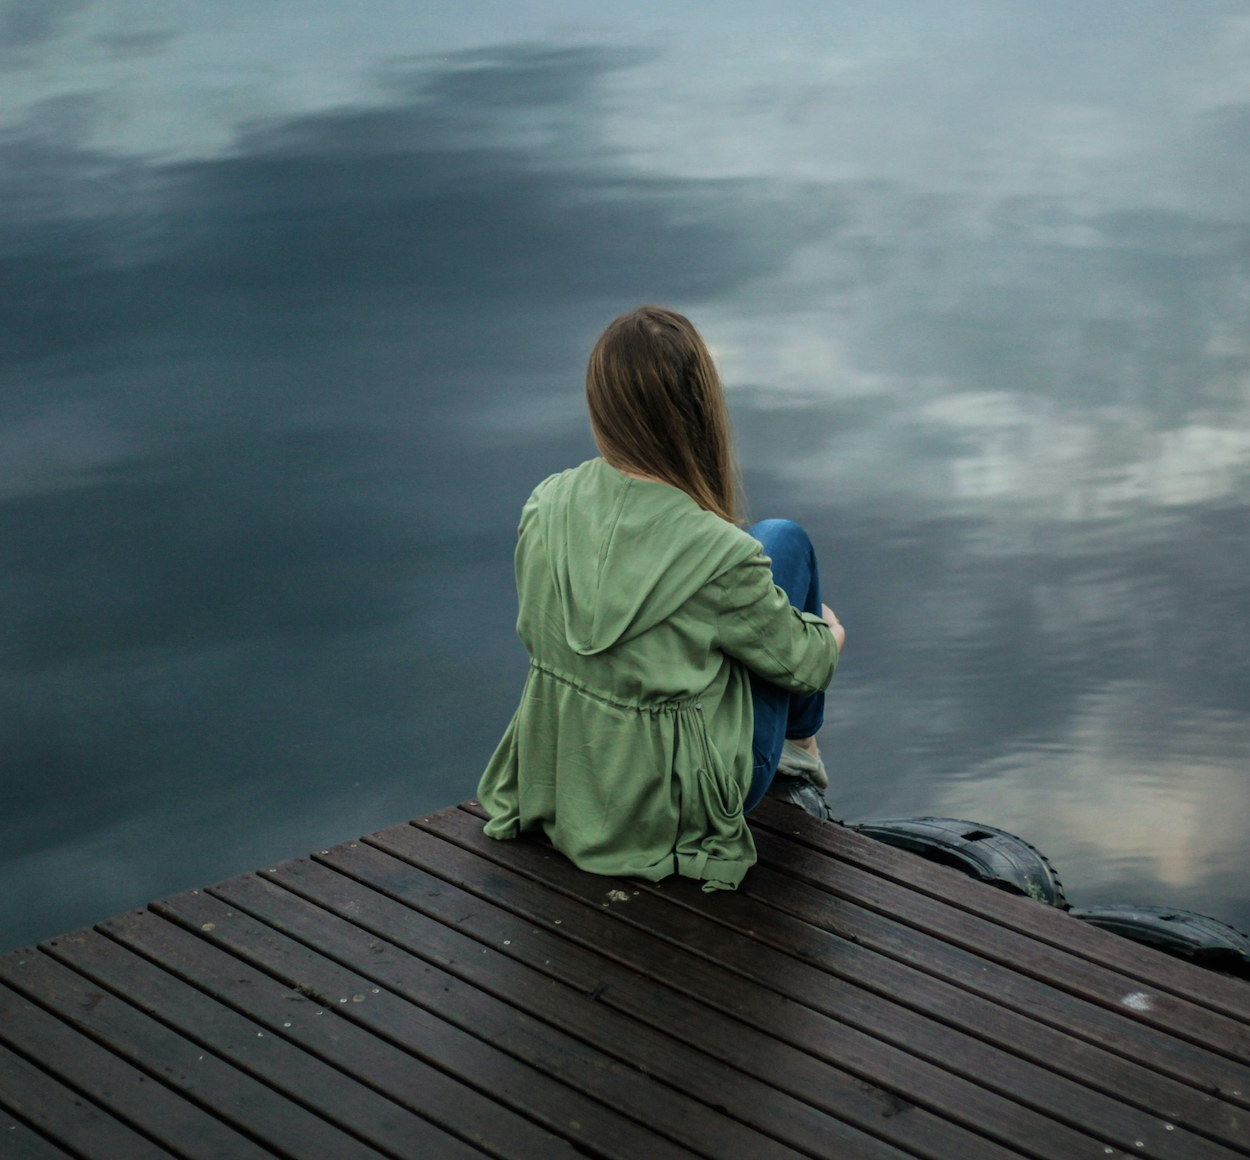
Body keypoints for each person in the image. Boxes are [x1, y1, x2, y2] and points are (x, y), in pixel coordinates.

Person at [477, 305, 846, 892]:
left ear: (601, 407)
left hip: (570, 781)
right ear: (699, 411)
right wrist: (827, 632)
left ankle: (794, 752)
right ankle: (800, 758)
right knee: (784, 541)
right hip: (675, 809)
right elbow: (809, 666)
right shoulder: (721, 555)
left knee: (763, 553)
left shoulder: (545, 505)